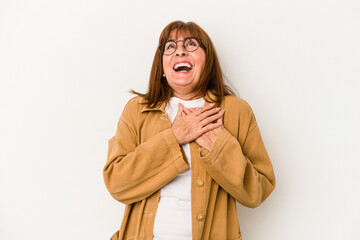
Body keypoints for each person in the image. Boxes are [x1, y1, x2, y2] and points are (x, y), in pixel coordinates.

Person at [103, 21, 276, 240]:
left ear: (207, 61)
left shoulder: (235, 111)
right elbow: (117, 185)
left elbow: (257, 193)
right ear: (162, 67)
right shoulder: (137, 111)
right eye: (170, 47)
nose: (180, 51)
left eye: (191, 44)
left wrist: (219, 147)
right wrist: (174, 137)